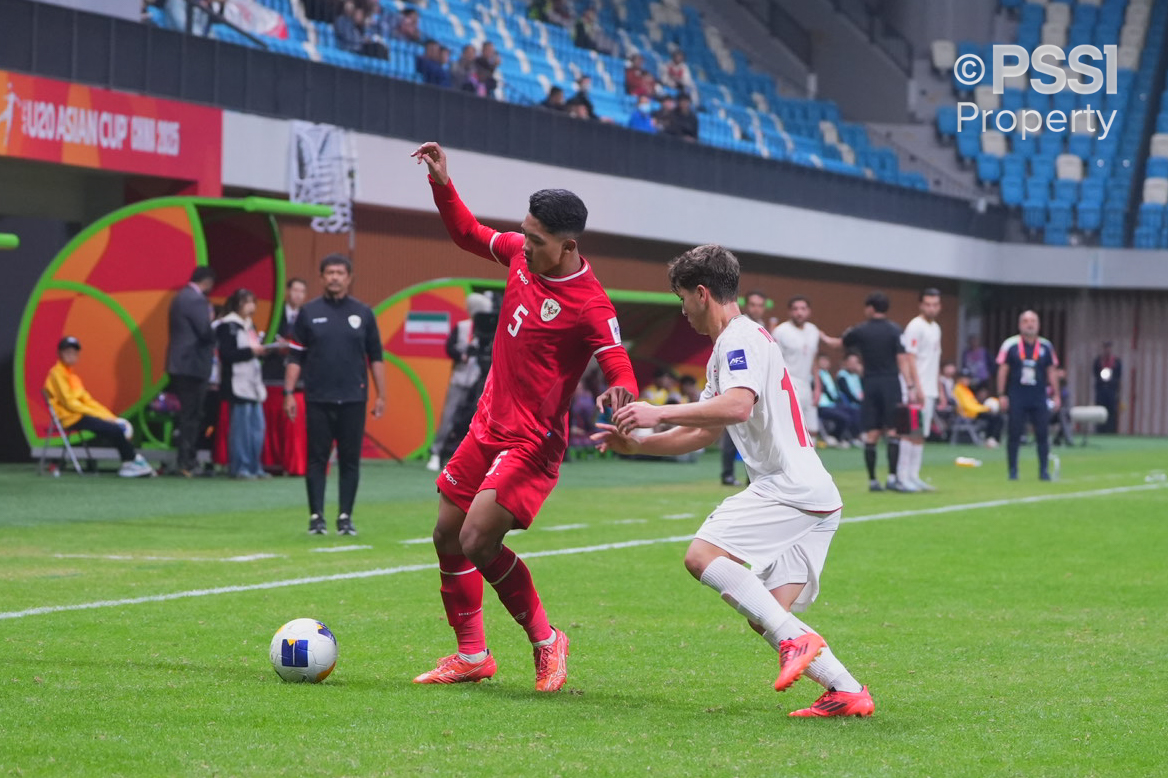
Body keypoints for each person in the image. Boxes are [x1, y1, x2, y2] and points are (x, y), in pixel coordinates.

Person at [592, 244, 874, 718]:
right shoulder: (732, 345)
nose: (682, 312)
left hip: (787, 488)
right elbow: (704, 430)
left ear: (702, 294)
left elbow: (737, 406)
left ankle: (800, 643)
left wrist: (657, 411)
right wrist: (641, 444)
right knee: (767, 613)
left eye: (682, 299)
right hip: (815, 494)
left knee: (702, 556)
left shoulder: (740, 339)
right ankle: (847, 690)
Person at [408, 141, 638, 691]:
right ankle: (471, 655)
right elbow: (468, 233)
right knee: (446, 534)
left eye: (536, 240)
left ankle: (546, 639)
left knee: (477, 537)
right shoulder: (519, 253)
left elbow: (617, 361)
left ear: (568, 245)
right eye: (525, 233)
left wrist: (621, 393)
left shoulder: (590, 303)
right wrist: (443, 182)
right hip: (487, 424)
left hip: (533, 442)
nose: (524, 245)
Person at [285, 255, 386, 535]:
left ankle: (345, 518)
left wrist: (381, 395)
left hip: (354, 398)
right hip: (317, 397)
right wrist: (288, 392)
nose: (334, 277)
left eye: (340, 272)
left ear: (349, 277)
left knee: (350, 460)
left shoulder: (363, 313)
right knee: (317, 459)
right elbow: (295, 356)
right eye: (329, 272)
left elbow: (376, 356)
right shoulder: (308, 312)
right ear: (321, 277)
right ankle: (316, 517)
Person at [44, 336, 155, 478]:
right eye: (67, 352)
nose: (71, 355)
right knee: (114, 430)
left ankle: (131, 461)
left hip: (80, 415)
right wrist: (100, 417)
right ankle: (131, 461)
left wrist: (109, 417)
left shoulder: (72, 377)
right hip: (71, 418)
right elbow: (70, 404)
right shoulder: (57, 374)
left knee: (115, 427)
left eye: (74, 352)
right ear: (59, 354)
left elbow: (89, 401)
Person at [842, 291, 917, 492]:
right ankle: (893, 478)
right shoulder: (895, 330)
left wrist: (822, 337)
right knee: (894, 431)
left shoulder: (861, 330)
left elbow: (842, 342)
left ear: (870, 308)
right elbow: (902, 359)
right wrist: (910, 386)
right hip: (891, 383)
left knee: (872, 433)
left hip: (871, 383)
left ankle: (873, 480)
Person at [426, 292, 493, 472]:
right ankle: (437, 451)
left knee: (475, 417)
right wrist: (462, 354)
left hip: (478, 379)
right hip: (459, 378)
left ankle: (467, 455)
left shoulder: (487, 331)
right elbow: (449, 348)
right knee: (449, 416)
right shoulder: (462, 327)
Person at [996, 310, 1060, 481]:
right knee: (1014, 433)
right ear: (1020, 324)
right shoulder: (1010, 345)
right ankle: (1013, 471)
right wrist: (1001, 394)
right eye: (1025, 321)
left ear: (1038, 325)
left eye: (1032, 321)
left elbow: (1051, 371)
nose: (1029, 324)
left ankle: (1044, 471)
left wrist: (1057, 395)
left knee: (1042, 434)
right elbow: (1003, 370)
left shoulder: (1046, 346)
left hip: (1038, 395)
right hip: (1017, 394)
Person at [166, 266, 217, 478]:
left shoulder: (179, 297)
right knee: (192, 416)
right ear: (207, 282)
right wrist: (214, 322)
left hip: (180, 364)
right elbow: (205, 332)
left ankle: (186, 460)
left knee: (188, 415)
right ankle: (187, 461)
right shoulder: (196, 300)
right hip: (192, 366)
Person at [772, 296, 842, 448]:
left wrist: (817, 388)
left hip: (807, 386)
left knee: (813, 430)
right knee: (791, 430)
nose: (799, 313)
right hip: (787, 385)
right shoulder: (780, 331)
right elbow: (774, 362)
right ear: (789, 311)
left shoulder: (813, 330)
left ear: (809, 311)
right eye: (795, 309)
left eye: (803, 309)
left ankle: (811, 469)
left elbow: (814, 360)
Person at [215, 289, 269, 480]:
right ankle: (241, 466)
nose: (251, 306)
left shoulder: (249, 326)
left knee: (257, 429)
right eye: (247, 302)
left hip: (253, 383)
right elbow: (227, 355)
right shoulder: (228, 325)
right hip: (237, 384)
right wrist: (251, 352)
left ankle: (256, 465)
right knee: (241, 430)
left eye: (253, 302)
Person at [898, 288, 946, 491]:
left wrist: (939, 390)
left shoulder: (936, 328)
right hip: (917, 388)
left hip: (930, 388)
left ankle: (914, 475)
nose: (931, 308)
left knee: (920, 433)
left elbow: (935, 361)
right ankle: (902, 476)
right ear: (920, 305)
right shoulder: (915, 326)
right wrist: (915, 387)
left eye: (935, 304)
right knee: (909, 431)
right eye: (927, 304)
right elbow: (910, 358)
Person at [262, 277, 309, 477]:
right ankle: (271, 464)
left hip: (299, 379)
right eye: (294, 290)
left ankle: (295, 464)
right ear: (287, 292)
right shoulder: (273, 313)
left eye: (301, 291)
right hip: (272, 376)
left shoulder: (308, 316)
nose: (297, 294)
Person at [816, 355, 859, 447]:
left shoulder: (827, 374)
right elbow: (825, 390)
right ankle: (836, 437)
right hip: (822, 406)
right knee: (845, 417)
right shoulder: (817, 375)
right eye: (822, 361)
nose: (824, 363)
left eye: (826, 361)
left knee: (853, 412)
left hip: (832, 404)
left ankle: (852, 437)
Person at [953, 369, 1002, 446]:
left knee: (996, 417)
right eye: (964, 378)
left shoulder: (966, 389)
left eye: (968, 378)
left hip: (974, 412)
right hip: (968, 414)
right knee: (994, 418)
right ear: (959, 379)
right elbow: (968, 406)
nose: (967, 380)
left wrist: (984, 408)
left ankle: (993, 439)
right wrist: (985, 408)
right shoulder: (958, 389)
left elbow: (973, 404)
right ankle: (990, 439)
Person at [1092, 341, 1121, 433]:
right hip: (1101, 389)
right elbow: (1095, 373)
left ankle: (1111, 430)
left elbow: (1118, 375)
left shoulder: (1116, 362)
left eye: (1109, 348)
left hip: (1111, 390)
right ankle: (1099, 430)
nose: (1107, 350)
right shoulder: (1098, 361)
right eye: (1105, 348)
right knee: (1099, 410)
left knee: (1111, 411)